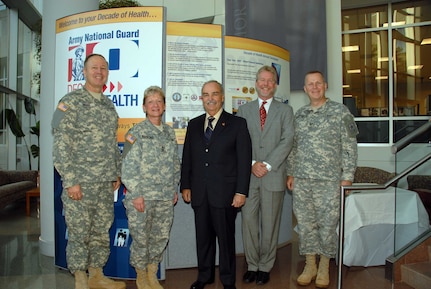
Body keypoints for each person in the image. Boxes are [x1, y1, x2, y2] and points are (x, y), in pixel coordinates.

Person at [52, 53, 125, 289]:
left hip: (104, 183)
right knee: (79, 232)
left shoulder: (108, 105)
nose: (99, 71)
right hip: (80, 183)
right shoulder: (69, 102)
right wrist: (70, 181)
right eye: (94, 67)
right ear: (84, 71)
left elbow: (111, 143)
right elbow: (61, 145)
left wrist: (116, 171)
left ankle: (96, 275)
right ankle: (80, 278)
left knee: (101, 231)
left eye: (104, 68)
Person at [286, 70, 358, 288]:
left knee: (327, 225)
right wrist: (291, 172)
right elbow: (293, 147)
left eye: (318, 83)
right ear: (305, 89)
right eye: (310, 84)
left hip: (330, 181)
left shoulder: (340, 112)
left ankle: (325, 265)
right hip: (302, 180)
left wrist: (348, 176)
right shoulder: (300, 114)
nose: (315, 87)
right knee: (306, 224)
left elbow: (350, 146)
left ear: (325, 85)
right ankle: (310, 265)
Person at [180, 80, 252, 289]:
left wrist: (241, 191)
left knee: (226, 240)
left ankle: (228, 281)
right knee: (203, 239)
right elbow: (188, 158)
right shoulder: (194, 124)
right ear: (201, 98)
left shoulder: (237, 124)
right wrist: (186, 185)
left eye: (214, 94)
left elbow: (244, 160)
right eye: (205, 94)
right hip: (200, 193)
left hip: (226, 194)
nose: (210, 98)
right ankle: (205, 276)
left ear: (222, 97)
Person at [236, 65, 294, 285]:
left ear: (275, 84)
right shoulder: (244, 111)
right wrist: (252, 163)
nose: (266, 84)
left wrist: (267, 164)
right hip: (248, 176)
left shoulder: (285, 111)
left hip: (273, 175)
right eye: (262, 80)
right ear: (256, 82)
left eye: (270, 80)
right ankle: (252, 264)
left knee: (270, 224)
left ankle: (265, 265)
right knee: (249, 223)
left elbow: (287, 140)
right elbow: (240, 142)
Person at [121, 86, 181, 289]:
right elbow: (127, 167)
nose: (155, 105)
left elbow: (175, 164)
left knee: (160, 236)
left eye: (159, 101)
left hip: (164, 197)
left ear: (164, 106)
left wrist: (174, 188)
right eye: (151, 102)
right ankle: (141, 275)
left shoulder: (169, 133)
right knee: (141, 237)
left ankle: (152, 273)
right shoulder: (135, 133)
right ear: (144, 107)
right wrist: (136, 194)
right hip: (142, 197)